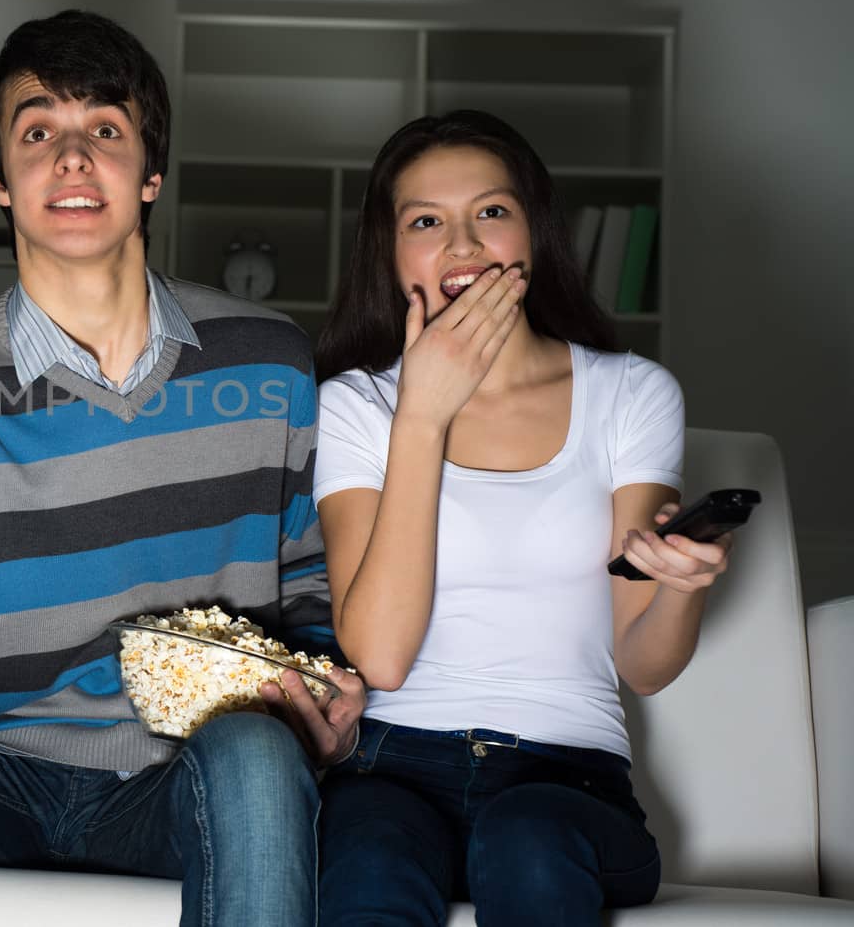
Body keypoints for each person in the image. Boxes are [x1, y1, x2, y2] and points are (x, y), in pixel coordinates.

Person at [0, 10, 365, 927]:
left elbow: (314, 578)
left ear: (150, 172)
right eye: (39, 131)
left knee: (253, 754)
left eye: (106, 131)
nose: (73, 158)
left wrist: (322, 686)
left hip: (189, 780)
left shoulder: (267, 361)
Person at [310, 109, 732, 926]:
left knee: (526, 839)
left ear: (534, 234)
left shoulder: (632, 394)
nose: (463, 246)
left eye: (492, 213)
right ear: (392, 254)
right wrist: (422, 417)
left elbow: (641, 665)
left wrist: (683, 587)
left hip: (568, 783)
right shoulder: (357, 405)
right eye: (426, 222)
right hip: (391, 771)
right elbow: (382, 658)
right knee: (366, 862)